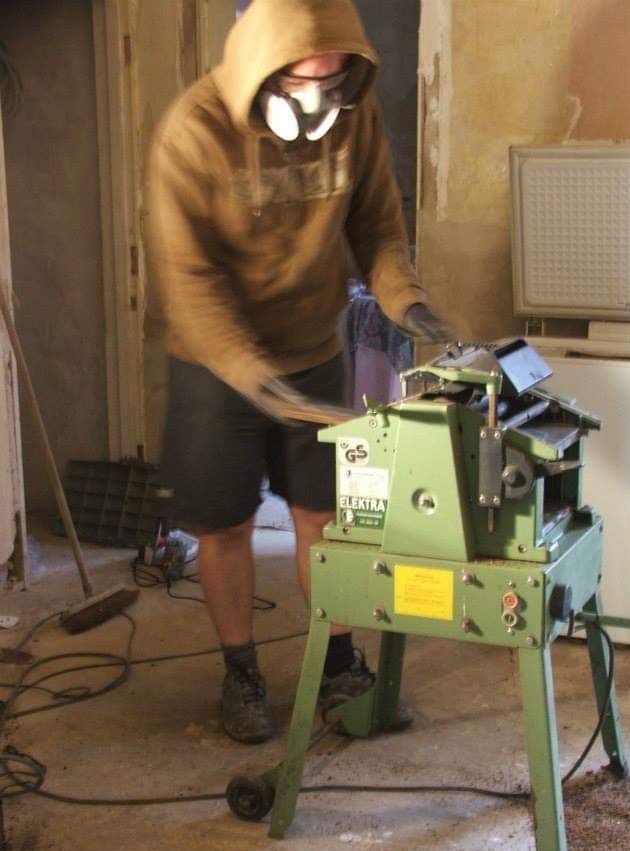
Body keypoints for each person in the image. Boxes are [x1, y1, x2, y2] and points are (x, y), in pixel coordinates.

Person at [148, 0, 448, 744]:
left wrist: (408, 303)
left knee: (328, 520)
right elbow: (190, 281)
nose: (320, 104)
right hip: (217, 363)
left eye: (333, 81)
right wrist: (253, 376)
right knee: (226, 526)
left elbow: (378, 226)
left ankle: (338, 661)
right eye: (303, 83)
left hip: (315, 349)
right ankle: (240, 671)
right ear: (262, 67)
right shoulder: (194, 132)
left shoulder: (353, 114)